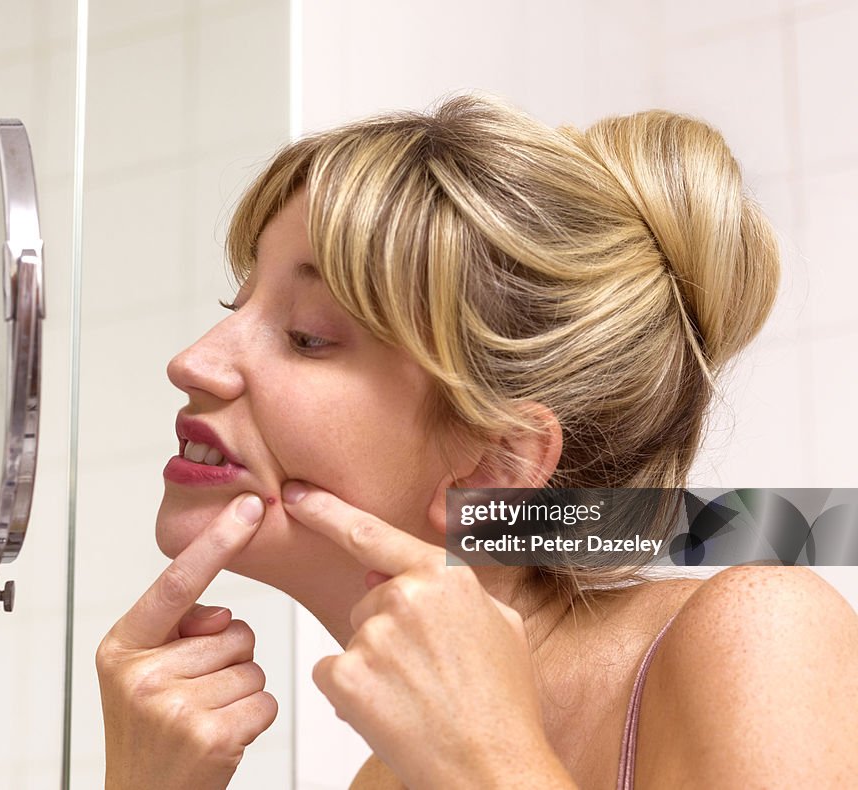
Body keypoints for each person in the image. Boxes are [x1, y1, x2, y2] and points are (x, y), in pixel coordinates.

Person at [95, 94, 858, 789]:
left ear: (497, 463)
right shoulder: (382, 780)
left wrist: (484, 767)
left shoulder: (759, 634)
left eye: (306, 336)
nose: (192, 360)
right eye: (236, 302)